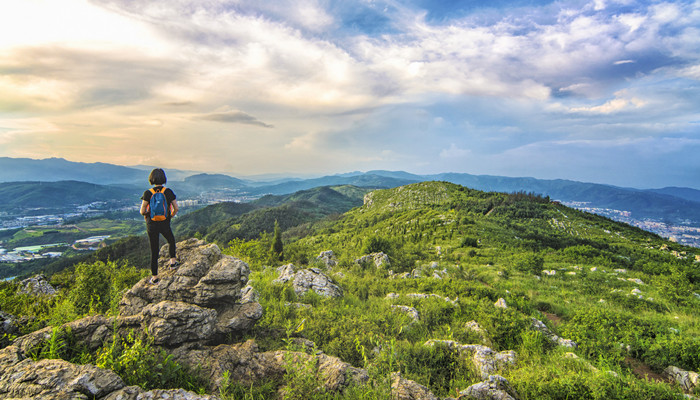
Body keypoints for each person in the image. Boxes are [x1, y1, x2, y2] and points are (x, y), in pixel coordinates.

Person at [140, 168, 179, 284]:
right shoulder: (168, 192)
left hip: (151, 224)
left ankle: (155, 278)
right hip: (164, 222)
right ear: (164, 178)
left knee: (154, 250)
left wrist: (148, 215)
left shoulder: (148, 193)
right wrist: (170, 216)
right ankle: (172, 263)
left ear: (151, 179)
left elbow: (142, 211)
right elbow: (176, 208)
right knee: (171, 240)